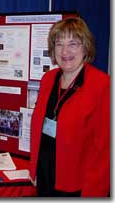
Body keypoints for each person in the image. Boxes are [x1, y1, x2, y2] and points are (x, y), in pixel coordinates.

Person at [29, 17, 110, 197]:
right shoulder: (48, 79)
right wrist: (34, 168)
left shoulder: (102, 85)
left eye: (73, 43)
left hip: (77, 185)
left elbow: (105, 150)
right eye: (59, 44)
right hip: (45, 177)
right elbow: (39, 130)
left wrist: (94, 194)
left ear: (85, 47)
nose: (65, 51)